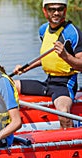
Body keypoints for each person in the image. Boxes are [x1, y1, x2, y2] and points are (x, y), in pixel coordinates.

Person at [12, 0, 82, 128]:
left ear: (65, 11)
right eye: (51, 9)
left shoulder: (73, 33)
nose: (56, 13)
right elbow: (46, 57)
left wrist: (65, 56)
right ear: (45, 11)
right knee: (9, 85)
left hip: (65, 84)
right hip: (47, 82)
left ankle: (69, 143)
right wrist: (25, 68)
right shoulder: (43, 30)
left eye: (60, 9)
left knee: (64, 114)